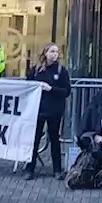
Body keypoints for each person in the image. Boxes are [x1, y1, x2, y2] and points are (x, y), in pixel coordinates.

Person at [26, 43, 71, 180]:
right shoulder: (35, 70)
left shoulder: (61, 71)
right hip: (38, 110)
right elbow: (27, 87)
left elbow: (67, 91)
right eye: (52, 51)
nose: (55, 54)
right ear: (45, 53)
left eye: (57, 52)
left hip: (54, 110)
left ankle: (57, 169)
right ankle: (30, 168)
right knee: (34, 140)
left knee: (54, 140)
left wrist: (51, 89)